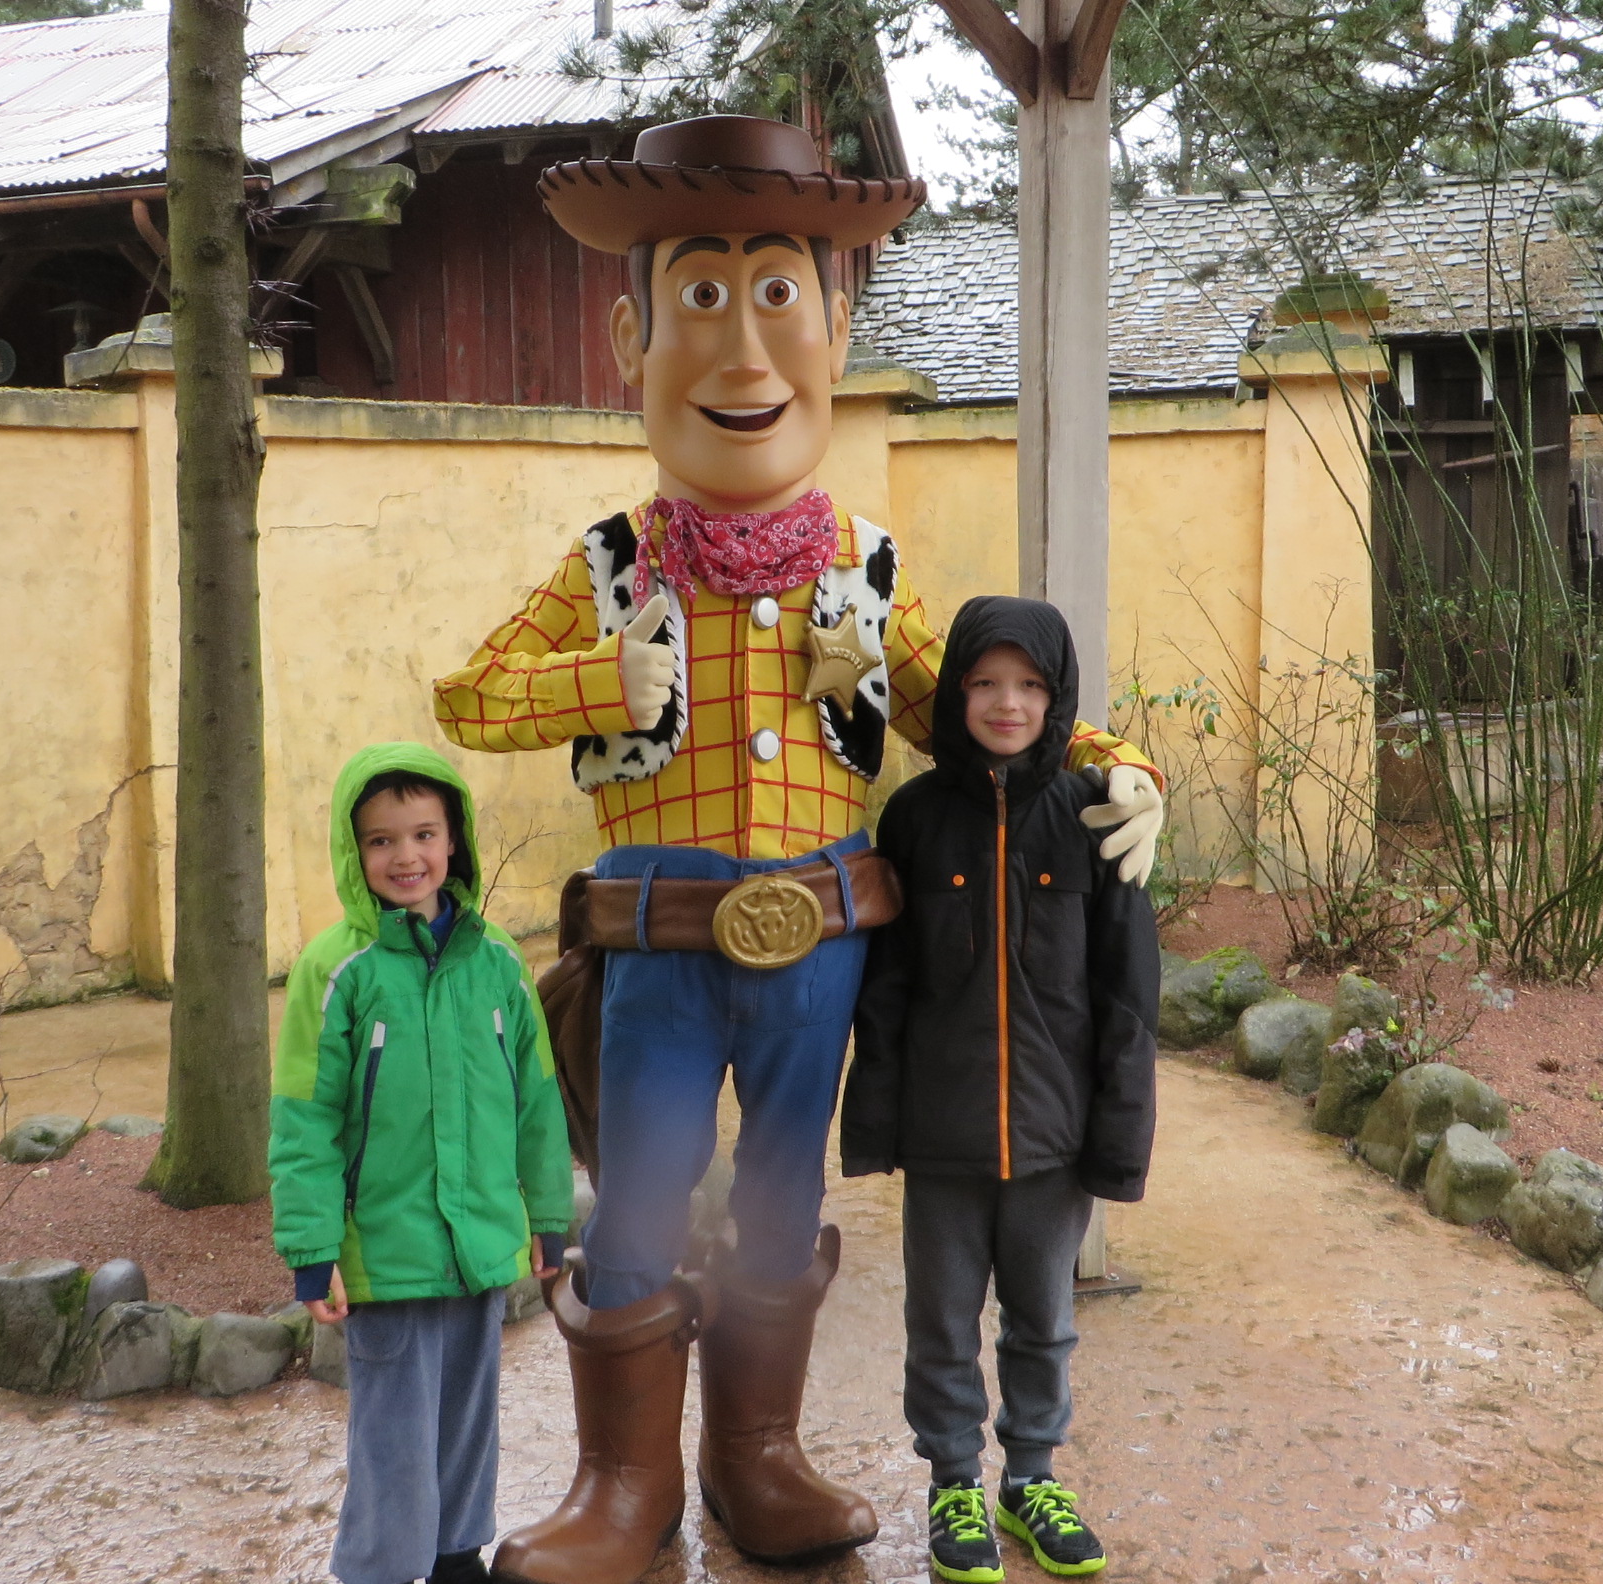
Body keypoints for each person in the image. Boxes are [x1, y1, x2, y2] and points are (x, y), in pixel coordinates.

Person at [431, 115, 1168, 1584]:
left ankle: (754, 1459)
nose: (742, 348)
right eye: (701, 299)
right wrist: (594, 682)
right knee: (642, 1188)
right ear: (634, 338)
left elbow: (981, 703)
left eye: (779, 296)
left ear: (834, 332)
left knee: (781, 1191)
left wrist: (1123, 765)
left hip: (817, 946)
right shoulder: (612, 561)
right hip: (656, 947)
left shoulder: (864, 568)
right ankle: (623, 1485)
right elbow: (468, 696)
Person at [842, 597, 1162, 1583]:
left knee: (1043, 1323)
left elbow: (1127, 993)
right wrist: (876, 1122)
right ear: (954, 693)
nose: (1007, 703)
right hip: (943, 1137)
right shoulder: (912, 818)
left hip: (1054, 1136)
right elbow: (885, 991)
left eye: (1028, 685)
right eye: (984, 682)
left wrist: (1119, 1137)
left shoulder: (1092, 815)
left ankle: (1029, 1480)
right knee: (940, 1326)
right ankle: (952, 1483)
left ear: (1057, 696)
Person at [269, 743, 574, 1584]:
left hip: (479, 1240)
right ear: (353, 850)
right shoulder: (337, 970)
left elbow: (537, 1101)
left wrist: (548, 1213)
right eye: (381, 840)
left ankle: (456, 1557)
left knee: (469, 1412)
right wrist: (313, 1247)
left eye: (423, 835)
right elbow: (304, 1119)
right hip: (384, 1247)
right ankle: (379, 1568)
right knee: (395, 1431)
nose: (405, 856)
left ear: (454, 840)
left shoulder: (497, 961)